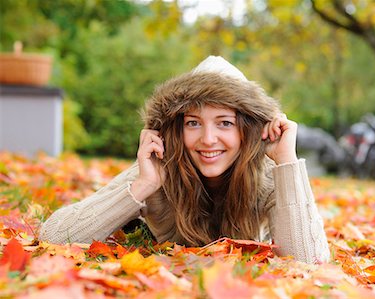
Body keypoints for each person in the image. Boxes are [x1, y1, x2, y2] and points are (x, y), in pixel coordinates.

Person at [39, 56, 330, 264]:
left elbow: (309, 260)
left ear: (247, 130)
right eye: (193, 123)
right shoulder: (159, 170)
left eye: (224, 123)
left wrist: (286, 162)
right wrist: (143, 185)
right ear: (177, 130)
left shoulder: (266, 175)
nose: (208, 139)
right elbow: (54, 236)